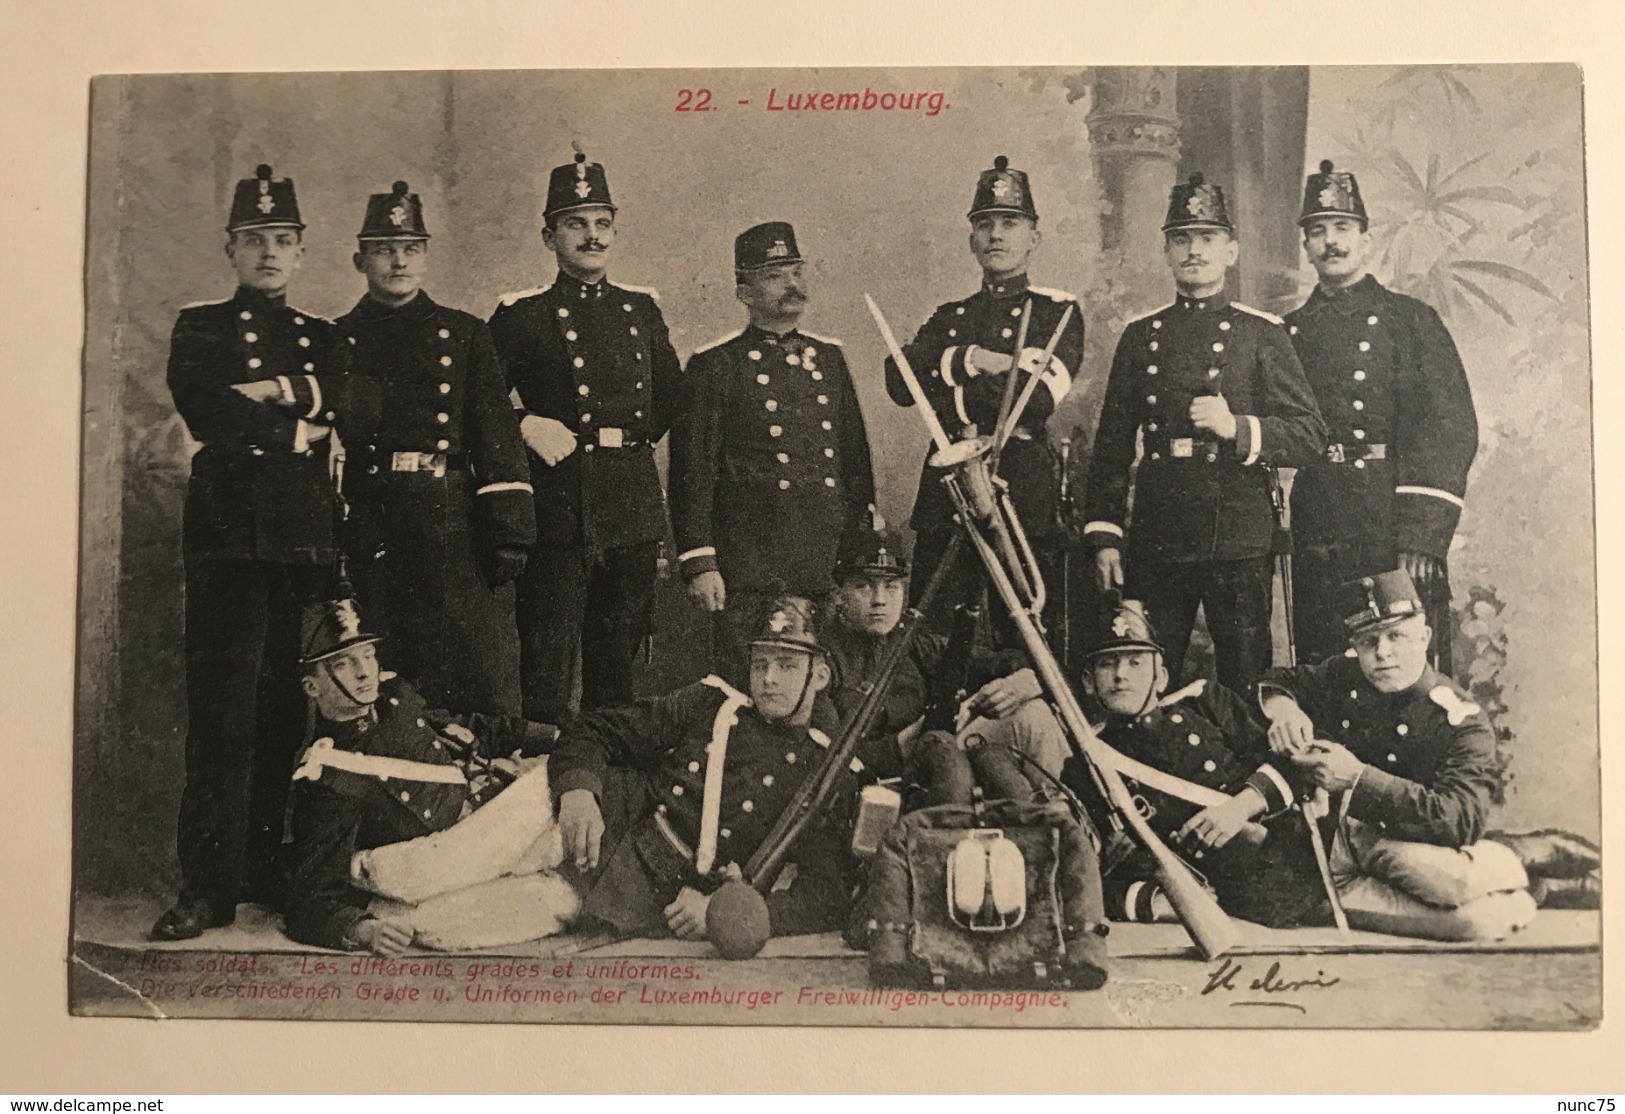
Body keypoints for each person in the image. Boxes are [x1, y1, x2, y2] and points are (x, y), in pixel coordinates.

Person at [154, 165, 354, 940]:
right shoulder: (199, 326)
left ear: (301, 251)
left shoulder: (325, 335)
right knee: (222, 718)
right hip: (230, 546)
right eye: (254, 240)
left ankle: (264, 865)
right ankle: (206, 887)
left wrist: (268, 394)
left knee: (281, 718)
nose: (269, 253)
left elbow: (353, 399)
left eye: (282, 240)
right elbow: (206, 412)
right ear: (231, 249)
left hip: (300, 545)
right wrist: (302, 422)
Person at [1256, 569, 1601, 940]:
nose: (1382, 653)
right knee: (1475, 923)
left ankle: (1521, 854)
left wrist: (1359, 779)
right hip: (1337, 845)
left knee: (1455, 885)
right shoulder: (1345, 674)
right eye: (1368, 641)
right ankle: (1536, 889)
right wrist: (1285, 710)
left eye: (1396, 636)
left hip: (1411, 844)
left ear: (1424, 638)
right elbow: (1281, 680)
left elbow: (1459, 821)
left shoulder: (1460, 720)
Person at [1083, 172, 1327, 693]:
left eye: (1207, 238)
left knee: (1246, 680)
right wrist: (1104, 534)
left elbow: (1309, 433)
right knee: (1153, 677)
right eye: (1182, 239)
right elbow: (1111, 446)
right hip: (1159, 535)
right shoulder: (1140, 336)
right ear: (1167, 252)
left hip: (1237, 539)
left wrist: (1235, 427)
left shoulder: (1262, 333)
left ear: (1231, 251)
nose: (1194, 250)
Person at [488, 147, 681, 725]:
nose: (591, 237)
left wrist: (625, 444)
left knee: (616, 676)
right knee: (547, 669)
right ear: (549, 237)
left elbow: (671, 397)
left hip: (631, 512)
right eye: (576, 224)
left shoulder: (641, 309)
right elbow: (476, 405)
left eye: (602, 224)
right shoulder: (520, 315)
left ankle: (607, 794)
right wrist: (523, 422)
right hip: (558, 514)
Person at [547, 595, 862, 941]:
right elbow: (596, 729)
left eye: (786, 665)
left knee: (501, 915)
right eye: (760, 664)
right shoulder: (711, 704)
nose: (769, 678)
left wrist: (722, 911)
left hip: (628, 883)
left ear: (818, 676)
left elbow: (825, 895)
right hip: (584, 813)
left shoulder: (823, 771)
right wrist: (577, 790)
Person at [336, 181, 535, 716]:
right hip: (374, 522)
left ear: (424, 256)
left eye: (411, 249)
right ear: (361, 259)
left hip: (455, 524)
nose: (399, 261)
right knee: (389, 672)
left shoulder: (464, 333)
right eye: (384, 250)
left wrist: (510, 532)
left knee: (480, 674)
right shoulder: (337, 340)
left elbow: (496, 433)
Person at [281, 600, 562, 955]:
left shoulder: (396, 699)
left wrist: (549, 736)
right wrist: (362, 930)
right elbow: (309, 895)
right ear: (312, 687)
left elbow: (465, 730)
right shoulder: (328, 774)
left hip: (489, 805)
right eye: (343, 664)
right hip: (455, 850)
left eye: (367, 656)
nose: (364, 671)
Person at [1284, 161, 1480, 670]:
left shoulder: (1410, 321)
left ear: (1365, 238)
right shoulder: (1287, 333)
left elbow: (1448, 428)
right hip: (1317, 519)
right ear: (1305, 246)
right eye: (1318, 231)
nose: (1332, 242)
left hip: (1389, 520)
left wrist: (1420, 536)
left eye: (1343, 228)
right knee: (1327, 662)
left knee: (1403, 662)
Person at [883, 155, 1085, 637]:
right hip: (947, 490)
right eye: (985, 224)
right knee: (932, 636)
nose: (996, 235)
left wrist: (946, 384)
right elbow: (898, 382)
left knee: (1024, 633)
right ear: (972, 240)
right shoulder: (949, 315)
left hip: (1021, 486)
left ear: (1033, 238)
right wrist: (972, 357)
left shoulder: (1057, 313)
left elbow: (1033, 399)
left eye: (1010, 223)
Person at [671, 221, 876, 682]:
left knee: (830, 685)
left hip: (824, 562)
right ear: (744, 292)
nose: (792, 285)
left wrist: (859, 554)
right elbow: (693, 472)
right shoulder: (715, 365)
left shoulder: (829, 359)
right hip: (750, 568)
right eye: (774, 276)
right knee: (752, 688)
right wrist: (700, 562)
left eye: (797, 272)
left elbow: (855, 464)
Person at [1061, 599, 1323, 928]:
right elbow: (1090, 870)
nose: (1120, 675)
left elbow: (1290, 764)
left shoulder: (1206, 701)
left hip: (1297, 852)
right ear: (1088, 682)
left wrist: (1239, 808)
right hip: (1236, 898)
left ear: (1161, 677)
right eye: (1107, 664)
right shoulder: (1087, 766)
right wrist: (1157, 903)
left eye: (1136, 662)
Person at [820, 517, 1068, 798]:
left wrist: (1025, 679)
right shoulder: (822, 659)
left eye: (891, 586)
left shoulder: (914, 643)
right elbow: (823, 756)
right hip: (871, 790)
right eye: (864, 586)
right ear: (839, 593)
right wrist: (904, 744)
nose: (880, 600)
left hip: (937, 765)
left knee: (1034, 715)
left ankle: (1055, 820)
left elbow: (1000, 661)